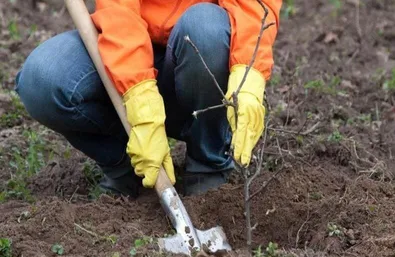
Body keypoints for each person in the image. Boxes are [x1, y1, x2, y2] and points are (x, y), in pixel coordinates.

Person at [15, 0, 281, 198]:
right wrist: (139, 96)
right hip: (127, 44)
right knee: (44, 78)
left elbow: (253, 6)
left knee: (206, 29)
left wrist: (248, 68)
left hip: (198, 54)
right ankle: (127, 169)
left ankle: (208, 165)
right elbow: (119, 13)